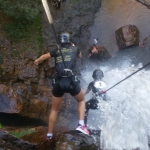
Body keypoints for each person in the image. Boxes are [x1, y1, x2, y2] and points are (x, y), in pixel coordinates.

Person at [34, 32, 89, 140]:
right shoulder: (75, 49)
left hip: (59, 82)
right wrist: (73, 47)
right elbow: (80, 56)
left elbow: (45, 56)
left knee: (54, 109)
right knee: (81, 100)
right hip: (71, 81)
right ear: (70, 41)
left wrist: (37, 60)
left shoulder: (57, 50)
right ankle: (81, 125)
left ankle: (49, 135)